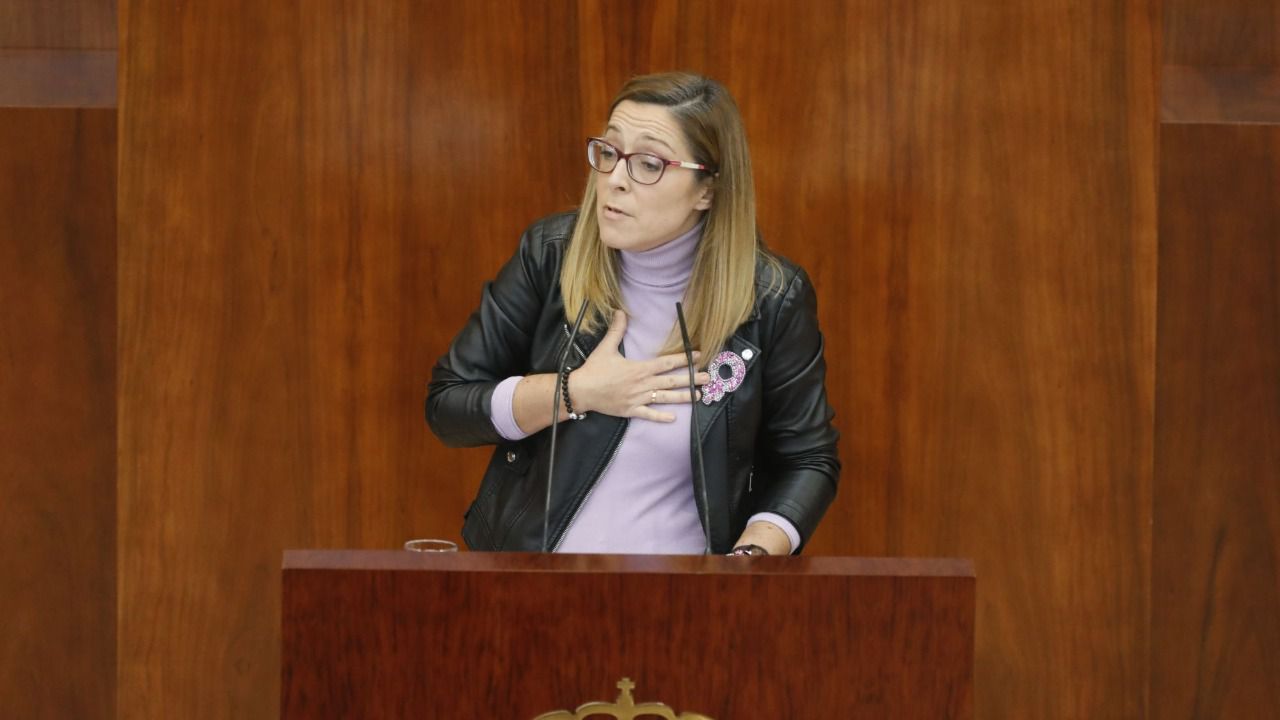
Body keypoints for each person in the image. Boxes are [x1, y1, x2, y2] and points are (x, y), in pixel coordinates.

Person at [426, 72, 839, 556]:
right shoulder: (550, 256)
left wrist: (748, 563)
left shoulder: (770, 298)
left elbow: (808, 459)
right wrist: (574, 391)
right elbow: (449, 406)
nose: (615, 180)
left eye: (648, 163)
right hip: (529, 589)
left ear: (707, 189)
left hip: (683, 606)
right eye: (608, 153)